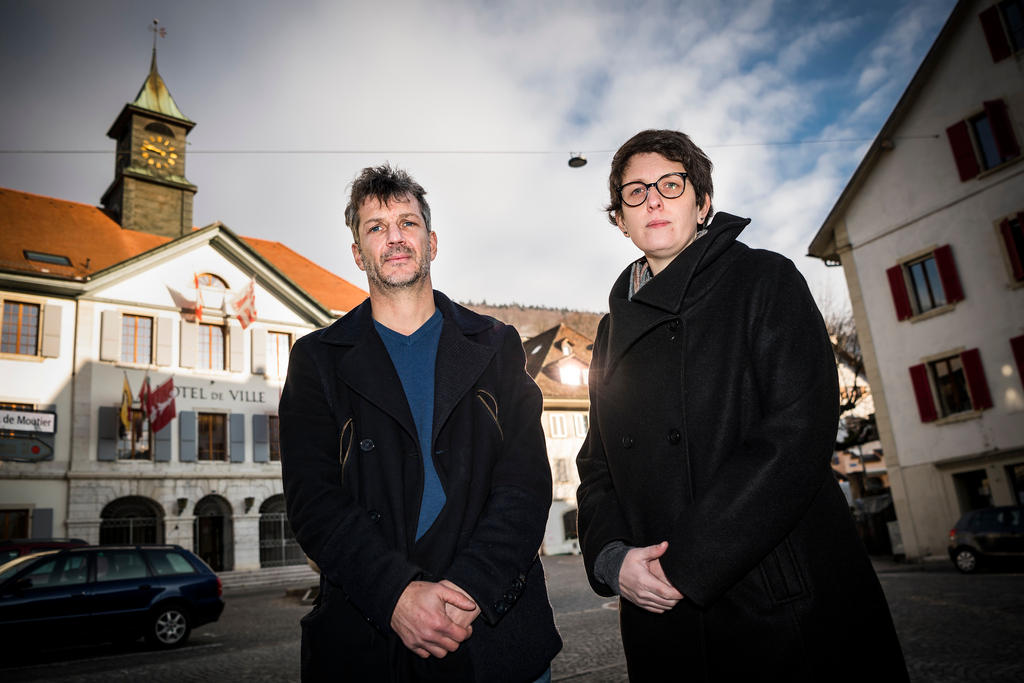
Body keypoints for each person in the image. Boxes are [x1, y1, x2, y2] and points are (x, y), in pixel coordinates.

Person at [575, 130, 908, 681]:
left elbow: (795, 434)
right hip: (660, 618)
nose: (653, 199)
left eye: (671, 184)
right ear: (620, 219)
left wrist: (685, 565)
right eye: (634, 192)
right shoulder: (611, 331)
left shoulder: (763, 280)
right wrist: (613, 559)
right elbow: (597, 465)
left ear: (702, 203)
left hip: (773, 603)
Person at [280, 164, 561, 682]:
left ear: (432, 242)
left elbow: (525, 481)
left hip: (495, 634)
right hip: (372, 636)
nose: (394, 238)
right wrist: (394, 594)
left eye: (407, 223)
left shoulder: (495, 345)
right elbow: (312, 500)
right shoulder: (317, 359)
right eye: (375, 227)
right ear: (357, 252)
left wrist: (474, 586)